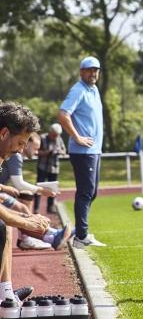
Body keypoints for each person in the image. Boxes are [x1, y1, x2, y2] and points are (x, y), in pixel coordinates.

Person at [0, 101, 72, 303]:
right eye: (21, 143)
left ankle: (5, 296)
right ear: (4, 133)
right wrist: (25, 222)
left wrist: (23, 218)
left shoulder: (2, 155)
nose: (22, 150)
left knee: (3, 227)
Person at [58, 56, 106, 248]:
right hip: (83, 152)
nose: (93, 73)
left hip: (95, 151)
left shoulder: (93, 89)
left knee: (92, 192)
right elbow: (63, 114)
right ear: (81, 72)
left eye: (96, 70)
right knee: (86, 192)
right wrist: (77, 137)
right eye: (89, 70)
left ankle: (80, 231)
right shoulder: (78, 90)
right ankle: (81, 236)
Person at [0, 133, 60, 250]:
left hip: (1, 190)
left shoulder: (14, 155)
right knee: (21, 209)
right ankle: (41, 236)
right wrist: (41, 190)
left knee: (23, 202)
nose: (37, 152)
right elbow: (19, 184)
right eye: (36, 148)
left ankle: (47, 234)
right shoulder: (15, 156)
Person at [35, 123, 66, 214]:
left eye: (57, 135)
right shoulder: (42, 138)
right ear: (50, 132)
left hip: (54, 168)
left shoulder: (59, 139)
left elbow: (64, 151)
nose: (55, 136)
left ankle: (50, 207)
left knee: (53, 189)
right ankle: (36, 208)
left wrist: (58, 151)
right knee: (39, 188)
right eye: (54, 134)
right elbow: (36, 151)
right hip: (42, 167)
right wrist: (47, 152)